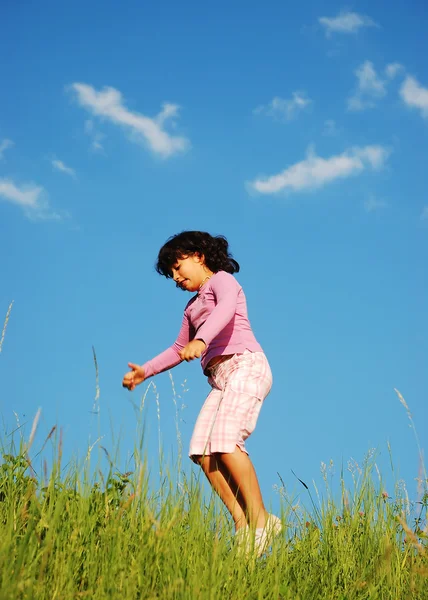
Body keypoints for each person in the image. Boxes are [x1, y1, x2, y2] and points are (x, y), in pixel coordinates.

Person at [122, 231, 281, 555]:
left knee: (225, 442)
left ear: (199, 255)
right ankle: (243, 525)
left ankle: (263, 521)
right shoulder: (191, 307)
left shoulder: (223, 282)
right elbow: (179, 348)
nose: (177, 278)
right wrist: (146, 371)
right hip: (221, 379)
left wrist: (203, 340)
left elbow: (224, 312)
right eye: (172, 275)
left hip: (245, 365)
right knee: (203, 452)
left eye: (179, 268)